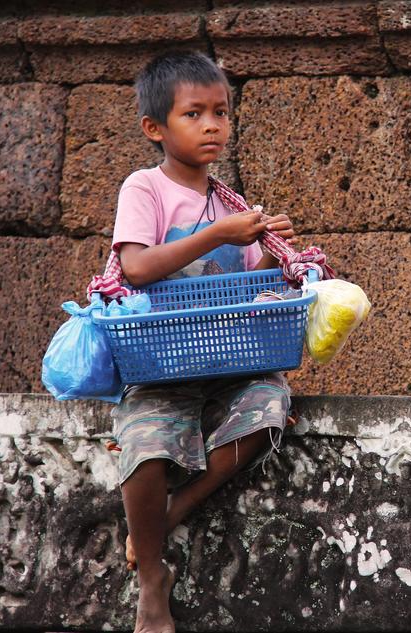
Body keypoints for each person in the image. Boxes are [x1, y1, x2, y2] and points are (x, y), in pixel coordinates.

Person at [109, 50, 297, 633]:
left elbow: (241, 286)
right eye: (194, 114)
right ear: (155, 128)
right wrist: (215, 233)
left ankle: (171, 515)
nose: (212, 125)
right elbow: (136, 268)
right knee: (143, 450)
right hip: (159, 362)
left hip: (227, 359)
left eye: (221, 112)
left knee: (269, 414)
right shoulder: (146, 189)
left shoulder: (231, 201)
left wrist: (270, 252)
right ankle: (151, 585)